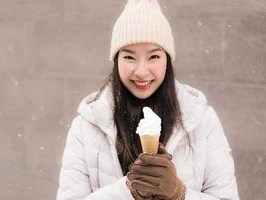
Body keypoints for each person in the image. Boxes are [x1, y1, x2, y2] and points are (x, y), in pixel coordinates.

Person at [56, 0, 240, 199]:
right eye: (129, 57)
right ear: (116, 60)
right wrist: (127, 188)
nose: (142, 71)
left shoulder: (202, 120)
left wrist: (179, 194)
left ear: (167, 60)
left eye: (153, 57)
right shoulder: (87, 125)